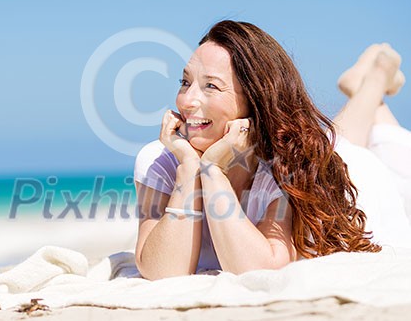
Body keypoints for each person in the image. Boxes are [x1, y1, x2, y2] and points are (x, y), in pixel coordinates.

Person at [133, 20, 411, 280]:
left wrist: (214, 170)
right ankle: (368, 85)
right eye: (185, 82)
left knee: (352, 141)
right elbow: (161, 271)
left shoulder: (289, 166)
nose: (188, 100)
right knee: (338, 134)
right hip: (324, 145)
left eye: (211, 86)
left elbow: (261, 271)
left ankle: (375, 79)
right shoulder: (162, 160)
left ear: (254, 101)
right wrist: (189, 169)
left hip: (362, 174)